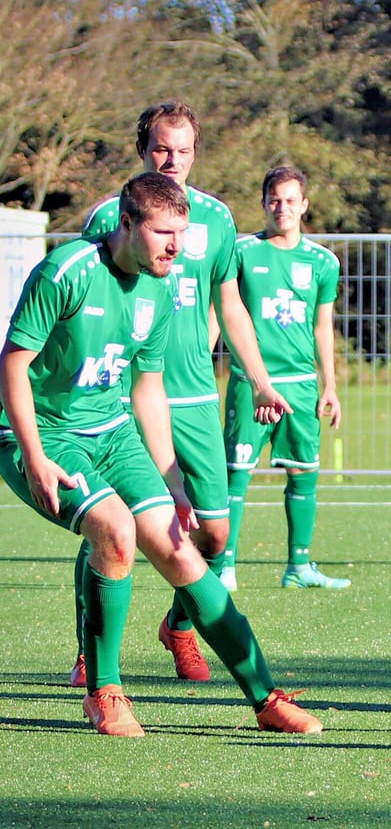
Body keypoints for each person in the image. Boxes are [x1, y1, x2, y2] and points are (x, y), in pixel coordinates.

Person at [0, 173, 322, 737]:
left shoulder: (160, 286)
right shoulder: (65, 271)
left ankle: (266, 698)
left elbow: (148, 389)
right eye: (164, 232)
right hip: (44, 435)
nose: (177, 247)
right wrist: (32, 454)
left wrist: (172, 482)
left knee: (184, 555)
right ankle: (104, 692)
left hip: (113, 432)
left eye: (183, 234)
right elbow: (12, 365)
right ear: (126, 224)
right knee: (116, 533)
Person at [69, 101, 292, 688]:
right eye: (162, 149)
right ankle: (91, 651)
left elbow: (230, 303)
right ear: (143, 150)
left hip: (191, 397)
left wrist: (260, 377)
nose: (172, 160)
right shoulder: (107, 218)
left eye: (184, 150)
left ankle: (180, 627)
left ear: (196, 153)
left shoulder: (217, 221)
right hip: (122, 398)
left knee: (214, 533)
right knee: (107, 523)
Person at [220, 166, 348, 591]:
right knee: (235, 472)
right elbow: (222, 310)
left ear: (304, 205)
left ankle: (299, 567)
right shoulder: (241, 252)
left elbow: (321, 326)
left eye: (291, 200)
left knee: (303, 472)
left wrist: (330, 385)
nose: (283, 208)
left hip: (300, 384)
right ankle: (225, 566)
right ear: (263, 204)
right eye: (275, 199)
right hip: (249, 381)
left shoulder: (322, 262)